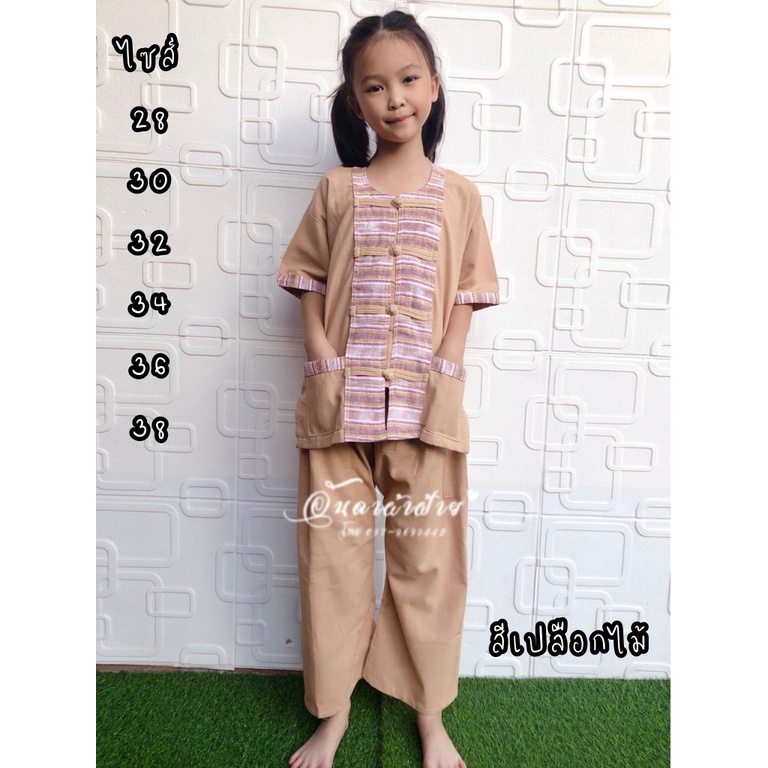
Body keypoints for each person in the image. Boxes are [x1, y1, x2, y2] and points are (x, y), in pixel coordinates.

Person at [277, 11, 499, 768]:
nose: (394, 97)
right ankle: (334, 713)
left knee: (429, 565)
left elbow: (468, 291)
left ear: (434, 88)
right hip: (338, 409)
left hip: (425, 408)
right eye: (374, 86)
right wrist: (320, 351)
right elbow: (306, 275)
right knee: (331, 564)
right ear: (355, 101)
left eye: (407, 80)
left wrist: (448, 360)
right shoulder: (336, 190)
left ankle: (430, 716)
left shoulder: (459, 196)